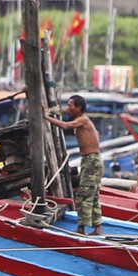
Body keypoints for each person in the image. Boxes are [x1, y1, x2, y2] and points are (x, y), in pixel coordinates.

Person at [47, 94, 103, 234]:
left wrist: (46, 117)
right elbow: (96, 134)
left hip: (91, 161)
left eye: (70, 105)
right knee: (93, 194)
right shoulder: (85, 120)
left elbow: (66, 125)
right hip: (93, 159)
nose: (68, 108)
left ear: (78, 108)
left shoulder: (82, 120)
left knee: (84, 194)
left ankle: (81, 228)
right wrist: (54, 111)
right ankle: (97, 228)